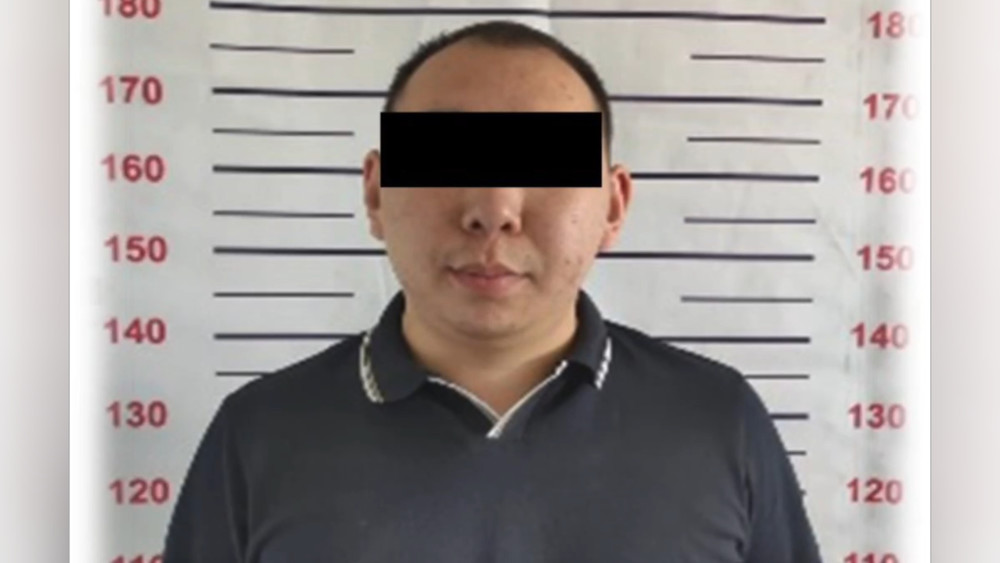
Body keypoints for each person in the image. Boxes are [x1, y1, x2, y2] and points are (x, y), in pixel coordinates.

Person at [163, 20, 823, 562]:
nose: (494, 209)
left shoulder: (718, 420)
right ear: (376, 193)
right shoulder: (258, 434)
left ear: (614, 205)